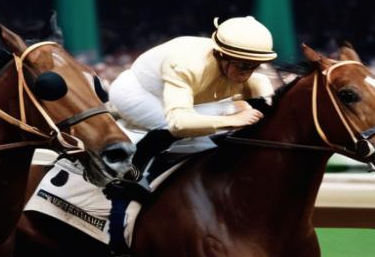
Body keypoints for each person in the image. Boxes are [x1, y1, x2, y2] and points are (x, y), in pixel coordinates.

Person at [108, 16, 277, 184]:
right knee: (184, 128)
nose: (247, 73)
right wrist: (233, 119)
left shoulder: (256, 79)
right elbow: (179, 124)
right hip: (136, 93)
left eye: (255, 65)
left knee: (239, 108)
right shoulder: (186, 64)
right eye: (242, 65)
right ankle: (129, 180)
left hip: (171, 95)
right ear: (221, 54)